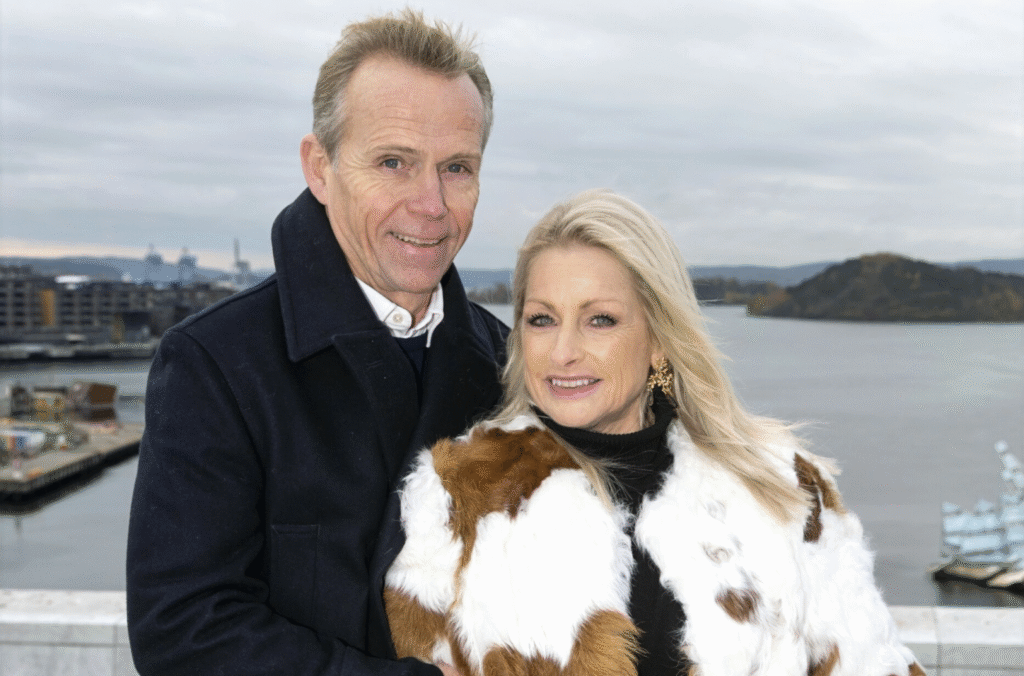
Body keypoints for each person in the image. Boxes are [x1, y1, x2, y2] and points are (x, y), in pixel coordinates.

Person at [384, 189, 926, 676]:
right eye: (541, 319)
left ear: (660, 338)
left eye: (600, 320)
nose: (563, 351)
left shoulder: (783, 487)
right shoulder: (460, 496)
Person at [126, 10, 507, 676]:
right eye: (393, 162)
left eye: (456, 167)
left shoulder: (508, 363)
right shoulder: (217, 363)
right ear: (320, 167)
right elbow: (183, 630)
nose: (431, 204)